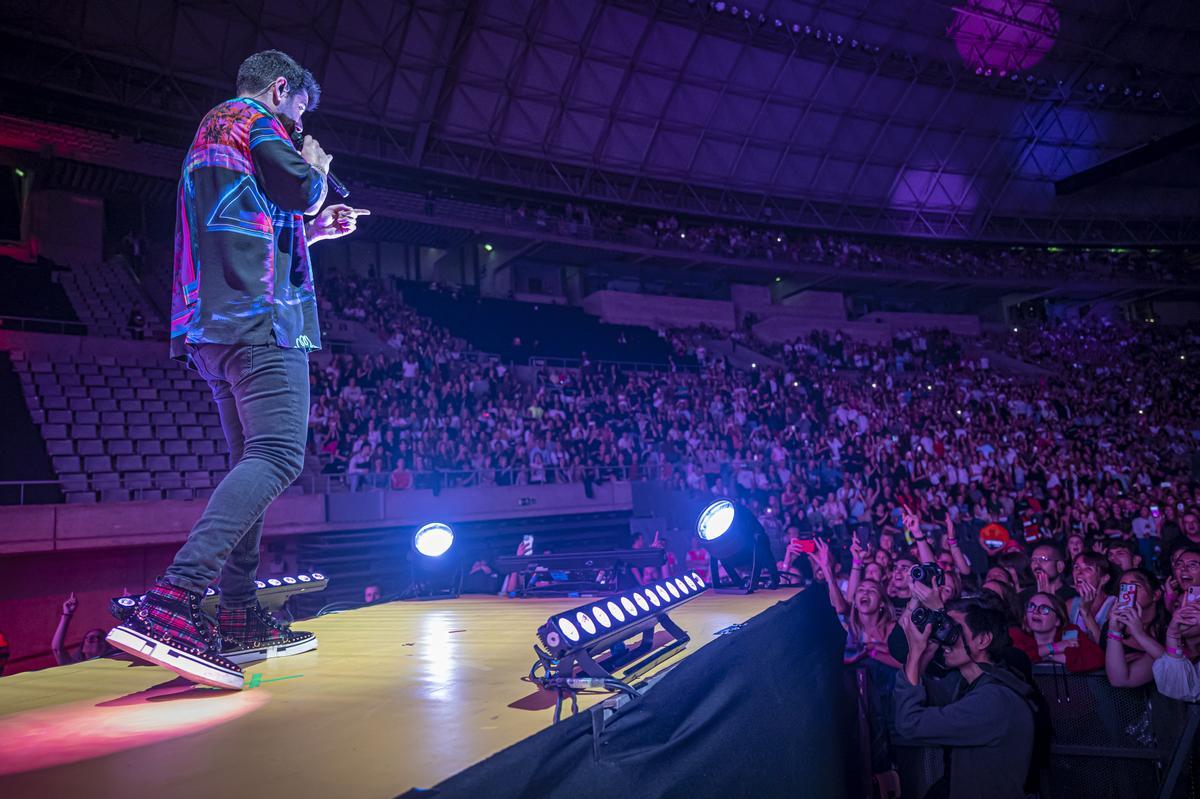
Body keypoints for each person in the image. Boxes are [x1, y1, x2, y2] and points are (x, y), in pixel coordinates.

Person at [107, 50, 369, 691]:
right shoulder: (255, 118)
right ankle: (173, 601)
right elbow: (303, 188)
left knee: (253, 460)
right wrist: (314, 168)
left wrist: (314, 232)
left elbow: (252, 219)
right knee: (279, 455)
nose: (299, 124)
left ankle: (239, 610)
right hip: (260, 319)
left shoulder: (215, 130)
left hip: (214, 321)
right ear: (282, 89)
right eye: (300, 110)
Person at [894, 597, 1037, 799]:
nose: (945, 637)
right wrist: (925, 652)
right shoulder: (967, 685)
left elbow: (909, 722)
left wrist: (915, 654)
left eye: (953, 630)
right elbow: (918, 700)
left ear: (983, 640)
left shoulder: (994, 700)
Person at [1008, 592, 1103, 672]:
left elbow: (1098, 658)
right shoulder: (1016, 634)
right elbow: (1016, 659)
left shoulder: (1070, 632)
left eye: (1044, 609)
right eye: (1031, 606)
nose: (1035, 612)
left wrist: (1048, 656)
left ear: (1057, 620)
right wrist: (1054, 648)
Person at [51, 593, 110, 666]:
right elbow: (57, 649)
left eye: (100, 638)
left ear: (108, 646)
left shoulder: (117, 662)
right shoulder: (73, 666)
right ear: (82, 648)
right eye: (91, 639)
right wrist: (67, 614)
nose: (96, 640)